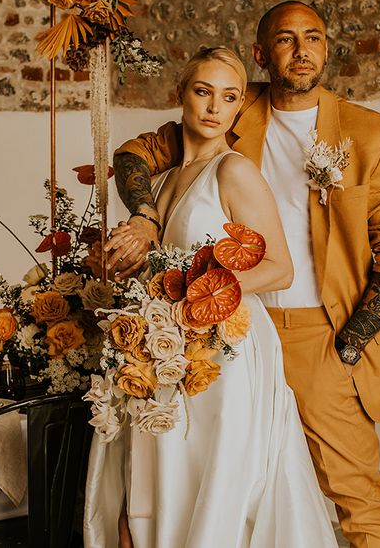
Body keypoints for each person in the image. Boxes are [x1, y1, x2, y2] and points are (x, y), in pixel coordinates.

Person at [108, 1, 380, 547]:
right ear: (261, 53)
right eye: (285, 39)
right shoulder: (230, 104)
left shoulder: (372, 134)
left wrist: (352, 340)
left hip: (318, 332)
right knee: (224, 481)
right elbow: (134, 154)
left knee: (355, 492)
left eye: (314, 38)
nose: (301, 51)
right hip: (223, 334)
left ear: (327, 47)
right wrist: (145, 215)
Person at [83, 47, 337, 548]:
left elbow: (279, 268)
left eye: (228, 97)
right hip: (169, 344)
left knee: (217, 473)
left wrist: (202, 296)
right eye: (203, 92)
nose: (213, 107)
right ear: (180, 95)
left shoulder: (233, 171)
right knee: (166, 472)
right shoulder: (163, 179)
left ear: (239, 106)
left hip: (227, 351)